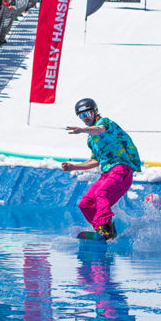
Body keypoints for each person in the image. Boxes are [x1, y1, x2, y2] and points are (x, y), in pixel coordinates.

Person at [61, 98, 142, 240]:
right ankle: (102, 230)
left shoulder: (105, 122)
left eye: (87, 114)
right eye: (81, 116)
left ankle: (105, 228)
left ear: (95, 112)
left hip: (121, 169)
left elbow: (99, 130)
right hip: (107, 174)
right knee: (85, 203)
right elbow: (95, 161)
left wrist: (81, 130)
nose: (84, 118)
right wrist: (74, 167)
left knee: (101, 193)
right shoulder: (91, 140)